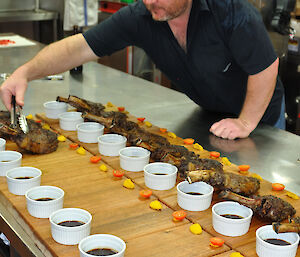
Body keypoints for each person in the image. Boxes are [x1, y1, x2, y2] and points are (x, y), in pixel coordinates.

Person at [0, 0, 284, 140]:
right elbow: (78, 48)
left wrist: (245, 123)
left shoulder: (231, 11)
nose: (150, 2)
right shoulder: (143, 16)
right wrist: (25, 72)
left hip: (260, 119)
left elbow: (266, 68)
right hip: (210, 113)